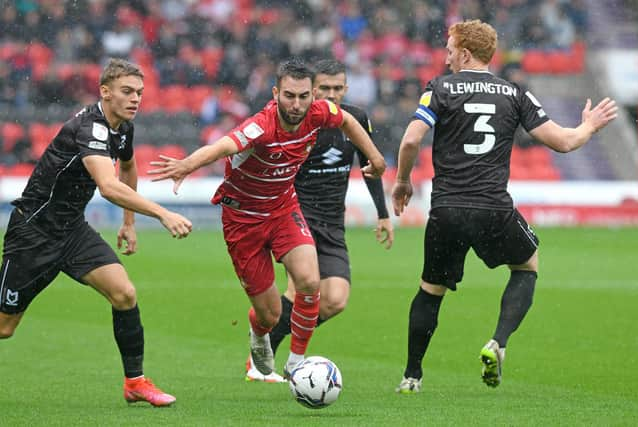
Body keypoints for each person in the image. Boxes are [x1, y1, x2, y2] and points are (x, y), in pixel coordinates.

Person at [391, 20, 617, 393]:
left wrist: (402, 180)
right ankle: (498, 341)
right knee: (527, 265)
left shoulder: (440, 88)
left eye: (449, 51)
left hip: (447, 209)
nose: (446, 59)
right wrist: (589, 126)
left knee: (431, 289)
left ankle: (412, 376)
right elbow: (562, 141)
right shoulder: (515, 93)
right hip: (493, 208)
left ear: (464, 53)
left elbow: (412, 139)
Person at [149, 58, 386, 381]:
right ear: (276, 93)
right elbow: (222, 146)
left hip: (283, 209)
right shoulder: (260, 126)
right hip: (243, 220)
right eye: (290, 95)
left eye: (304, 96)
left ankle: (296, 364)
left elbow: (347, 121)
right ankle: (258, 332)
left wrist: (375, 157)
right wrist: (186, 165)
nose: (297, 104)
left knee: (309, 282)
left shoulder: (318, 112)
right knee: (270, 314)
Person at [0, 58, 193, 406]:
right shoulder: (90, 127)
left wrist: (129, 223)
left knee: (124, 294)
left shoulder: (123, 127)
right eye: (127, 91)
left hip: (72, 230)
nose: (135, 98)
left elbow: (129, 168)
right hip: (34, 232)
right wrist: (162, 214)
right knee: (4, 328)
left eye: (139, 92)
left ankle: (135, 383)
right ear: (105, 91)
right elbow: (107, 185)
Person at [244, 59, 394, 382]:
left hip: (332, 222)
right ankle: (267, 361)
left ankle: (265, 344)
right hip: (296, 216)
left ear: (346, 89)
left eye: (337, 88)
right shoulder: (302, 122)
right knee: (299, 291)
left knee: (335, 300)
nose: (331, 94)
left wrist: (382, 213)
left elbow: (369, 167)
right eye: (324, 88)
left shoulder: (355, 119)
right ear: (313, 91)